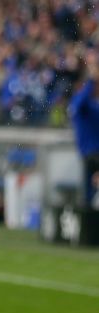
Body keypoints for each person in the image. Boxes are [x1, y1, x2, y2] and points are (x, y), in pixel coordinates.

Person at [70, 50, 99, 210]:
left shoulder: (93, 106)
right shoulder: (83, 105)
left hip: (92, 153)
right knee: (87, 193)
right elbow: (80, 103)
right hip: (91, 153)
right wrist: (91, 80)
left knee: (89, 191)